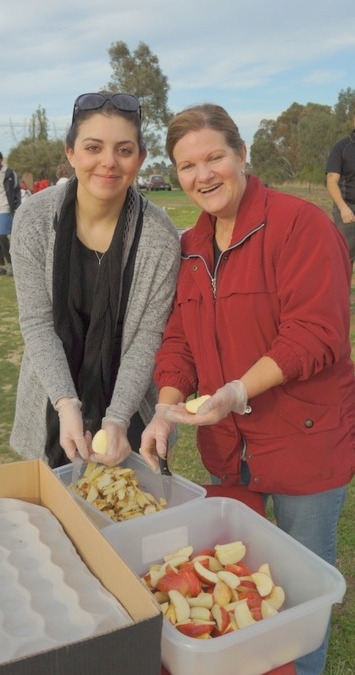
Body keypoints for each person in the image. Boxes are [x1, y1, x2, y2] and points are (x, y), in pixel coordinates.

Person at [140, 103, 354, 675]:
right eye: (187, 166)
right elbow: (178, 342)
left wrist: (239, 388)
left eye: (214, 157)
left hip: (305, 444)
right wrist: (163, 410)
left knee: (301, 588)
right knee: (240, 584)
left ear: (241, 155)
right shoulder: (189, 246)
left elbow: (318, 333)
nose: (202, 175)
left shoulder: (300, 225)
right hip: (227, 451)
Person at [9, 91, 180, 469]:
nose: (108, 162)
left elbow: (148, 338)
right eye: (93, 147)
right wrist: (66, 403)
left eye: (123, 150)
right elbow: (37, 323)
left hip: (128, 406)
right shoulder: (34, 220)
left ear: (140, 158)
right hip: (53, 398)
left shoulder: (159, 236)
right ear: (70, 153)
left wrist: (117, 417)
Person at [326, 116, 355, 272]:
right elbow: (331, 180)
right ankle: (341, 295)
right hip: (348, 208)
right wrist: (343, 208)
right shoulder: (342, 147)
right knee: (344, 257)